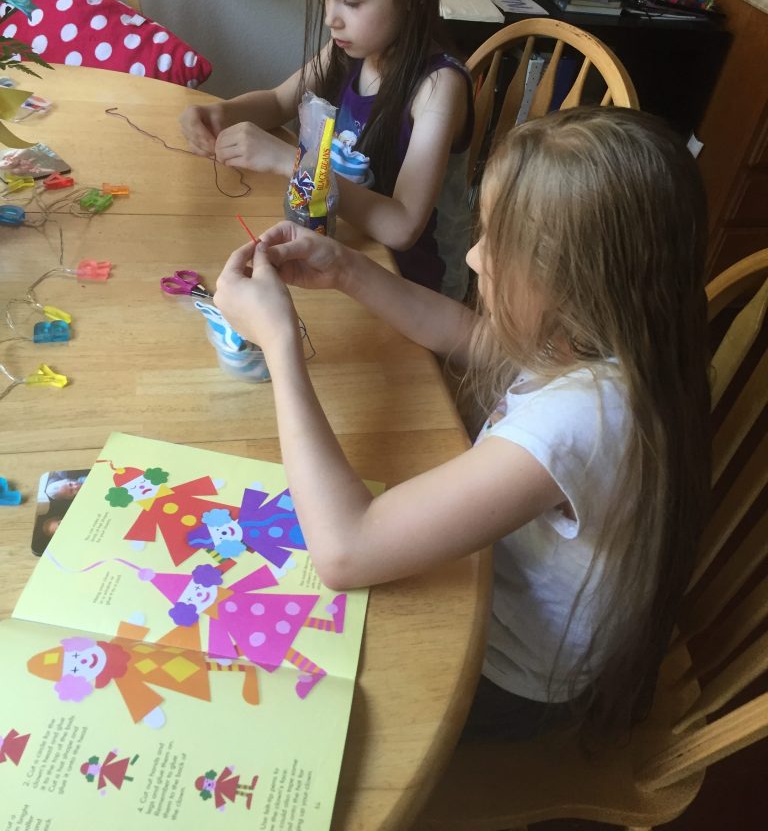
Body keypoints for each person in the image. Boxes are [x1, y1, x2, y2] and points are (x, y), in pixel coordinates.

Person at [211, 106, 711, 742]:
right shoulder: (616, 334)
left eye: (497, 242)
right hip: (496, 594)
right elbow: (471, 337)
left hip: (513, 681)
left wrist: (279, 342)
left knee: (254, 683)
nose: (474, 257)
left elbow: (345, 549)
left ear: (575, 280)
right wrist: (346, 269)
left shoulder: (586, 417)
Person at [179, 0, 473, 299]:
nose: (332, 18)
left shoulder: (439, 87)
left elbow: (403, 226)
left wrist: (291, 162)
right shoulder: (348, 51)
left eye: (350, 1)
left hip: (413, 287)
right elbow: (278, 101)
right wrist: (221, 112)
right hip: (342, 248)